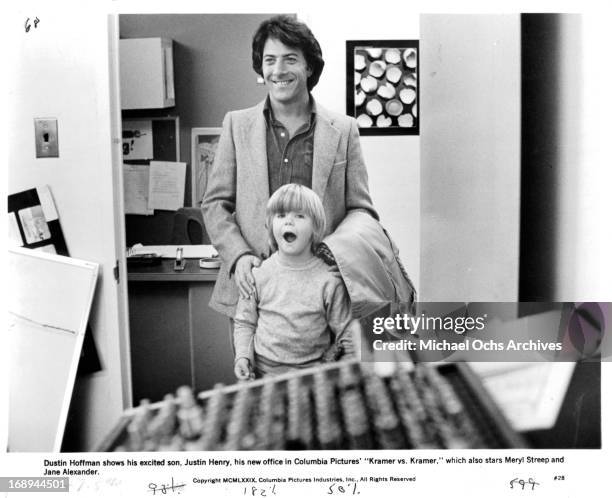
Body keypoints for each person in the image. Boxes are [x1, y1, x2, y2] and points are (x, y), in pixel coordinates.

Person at [202, 15, 377, 320]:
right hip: (254, 288)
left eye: (290, 59)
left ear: (309, 67)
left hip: (323, 293)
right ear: (261, 68)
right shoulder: (236, 125)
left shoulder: (345, 129)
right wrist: (239, 255)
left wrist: (334, 254)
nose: (278, 70)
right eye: (269, 60)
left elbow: (361, 211)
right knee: (253, 369)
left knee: (323, 371)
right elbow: (215, 204)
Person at [233, 184, 354, 379]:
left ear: (315, 227)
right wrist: (242, 358)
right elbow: (245, 323)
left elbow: (346, 333)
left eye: (299, 215)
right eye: (281, 216)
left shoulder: (330, 281)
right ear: (271, 226)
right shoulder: (258, 275)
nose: (289, 221)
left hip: (314, 377)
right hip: (264, 375)